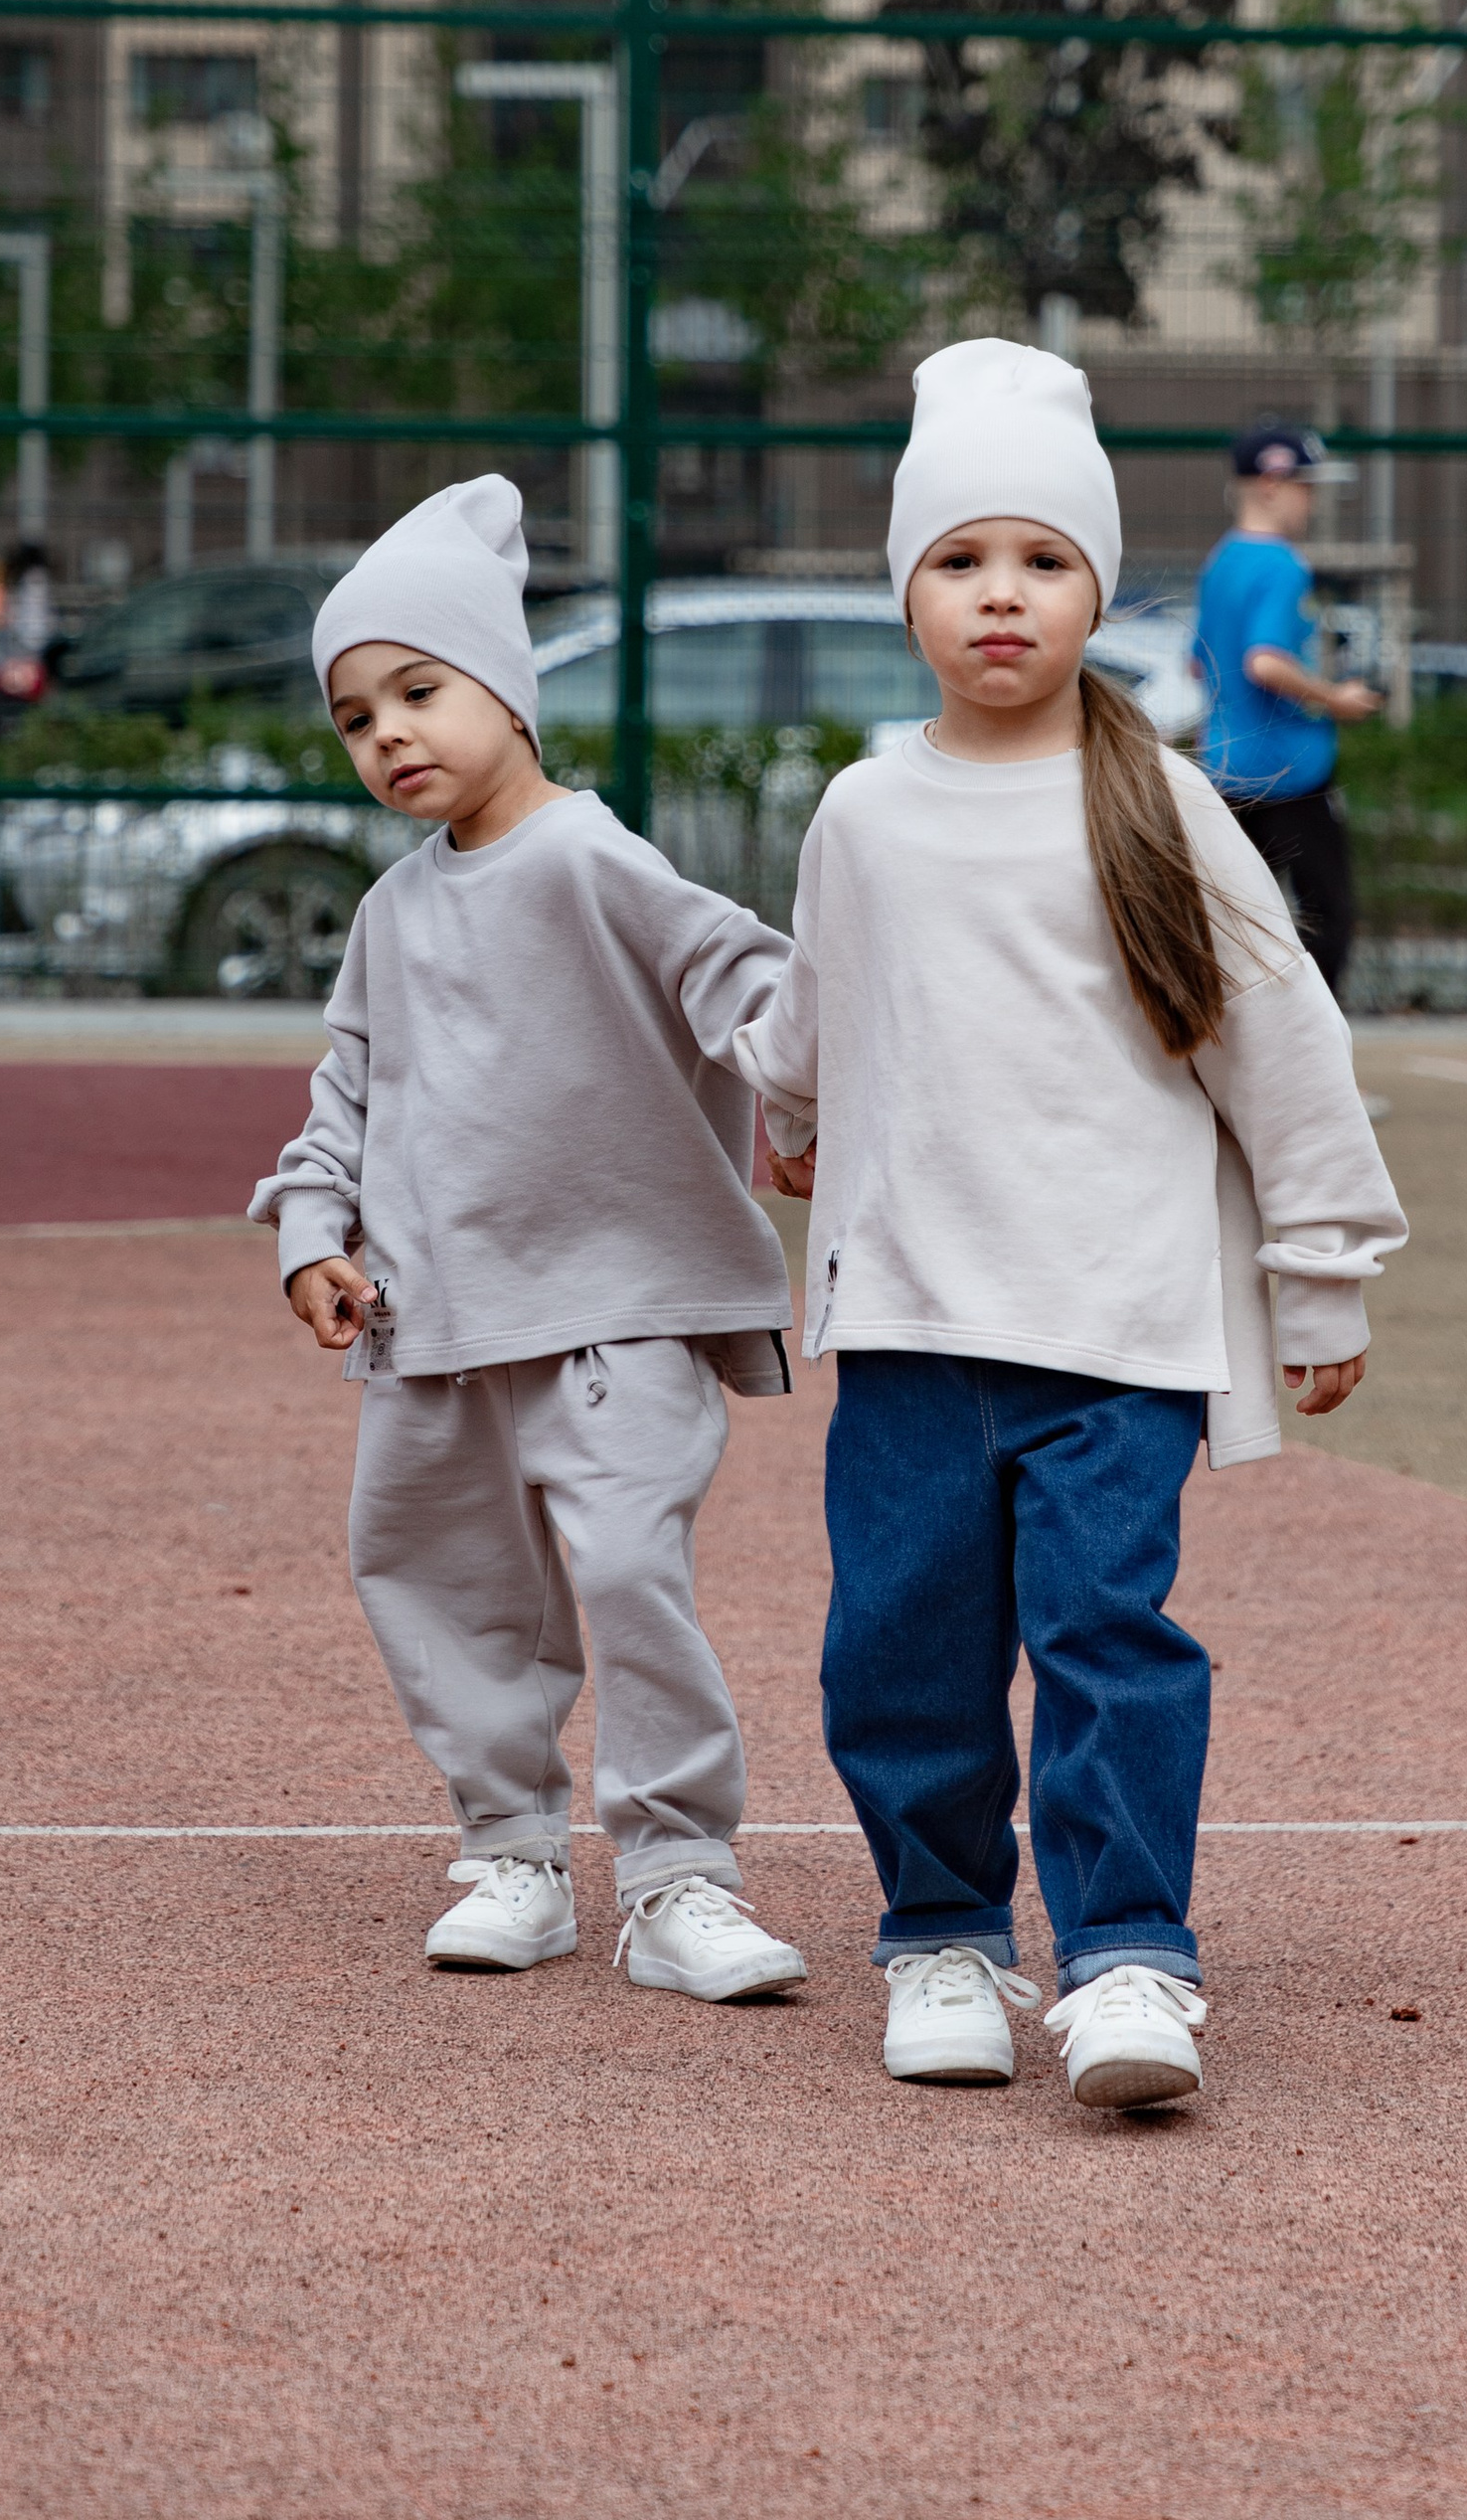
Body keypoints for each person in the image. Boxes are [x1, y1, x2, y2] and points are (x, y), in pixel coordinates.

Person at [734, 341, 1405, 2114]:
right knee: (900, 1648)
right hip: (907, 1333)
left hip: (1120, 1330)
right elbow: (819, 1007)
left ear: (1098, 585)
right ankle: (942, 1935)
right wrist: (789, 1115)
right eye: (960, 561)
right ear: (907, 592)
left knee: (1109, 1643)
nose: (1001, 597)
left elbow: (1282, 1035)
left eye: (1041, 561)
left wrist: (1321, 1270)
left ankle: (1128, 1962)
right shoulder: (864, 812)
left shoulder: (1160, 801)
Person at [248, 475, 809, 2007]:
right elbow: (339, 1105)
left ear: (505, 684)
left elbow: (747, 978)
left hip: (624, 1303)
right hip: (428, 1320)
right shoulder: (386, 914)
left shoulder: (591, 859)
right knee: (441, 1580)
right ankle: (514, 1850)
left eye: (418, 691)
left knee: (630, 1562)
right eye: (357, 718)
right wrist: (312, 1236)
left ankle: (681, 1875)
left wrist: (806, 1095)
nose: (389, 736)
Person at [1191, 419, 1382, 1003]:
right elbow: (1265, 663)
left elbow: (1198, 663)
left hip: (1226, 771)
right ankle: (1314, 1078)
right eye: (1307, 485)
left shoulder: (1220, 561)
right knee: (1329, 917)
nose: (1313, 499)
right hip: (1290, 774)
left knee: (1231, 931)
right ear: (1272, 486)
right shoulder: (1282, 565)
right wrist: (1336, 698)